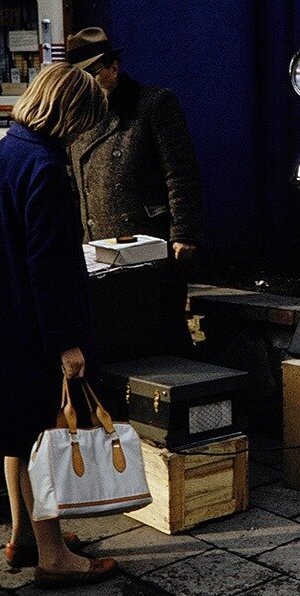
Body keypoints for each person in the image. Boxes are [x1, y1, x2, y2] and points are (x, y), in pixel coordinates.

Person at [0, 62, 117, 589]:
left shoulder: (6, 150)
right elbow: (47, 265)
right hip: (32, 325)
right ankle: (53, 554)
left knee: (15, 434)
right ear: (69, 112)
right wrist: (66, 340)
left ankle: (23, 533)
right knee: (42, 438)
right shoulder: (45, 167)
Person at [65, 27, 202, 355]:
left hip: (149, 242)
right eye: (79, 77)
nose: (87, 83)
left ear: (113, 69)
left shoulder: (154, 104)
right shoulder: (78, 117)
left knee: (162, 329)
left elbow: (180, 173)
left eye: (93, 74)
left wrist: (183, 234)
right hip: (97, 247)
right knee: (115, 332)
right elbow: (73, 183)